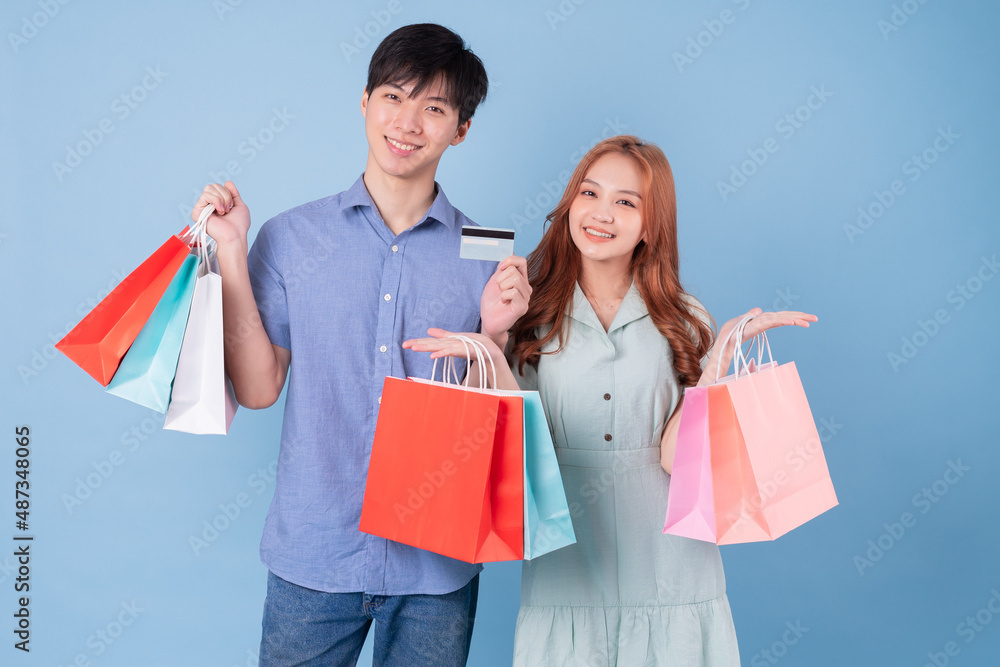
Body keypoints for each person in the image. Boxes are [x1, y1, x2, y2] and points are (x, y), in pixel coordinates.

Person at [404, 135, 817, 666]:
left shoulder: (686, 318)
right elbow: (523, 451)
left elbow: (676, 459)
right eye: (589, 193)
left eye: (626, 202)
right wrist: (488, 343)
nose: (601, 213)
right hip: (568, 571)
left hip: (674, 571)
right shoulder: (528, 309)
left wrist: (721, 356)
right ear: (571, 202)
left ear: (652, 224)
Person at [190, 23, 530, 667]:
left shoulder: (488, 251)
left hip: (436, 565)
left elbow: (494, 424)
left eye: (434, 108)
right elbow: (260, 391)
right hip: (313, 553)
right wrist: (231, 250)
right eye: (394, 97)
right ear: (365, 101)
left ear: (460, 129)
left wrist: (495, 334)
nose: (408, 122)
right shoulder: (289, 237)